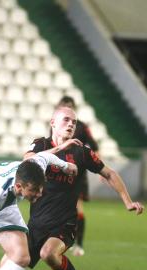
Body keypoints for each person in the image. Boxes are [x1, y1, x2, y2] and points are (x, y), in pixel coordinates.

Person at [0, 105, 144, 270]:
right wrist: (62, 147)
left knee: (48, 253)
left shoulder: (81, 152)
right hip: (35, 225)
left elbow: (109, 172)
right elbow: (28, 162)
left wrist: (127, 201)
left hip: (65, 224)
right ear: (53, 123)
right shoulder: (40, 144)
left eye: (74, 121)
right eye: (65, 120)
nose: (71, 124)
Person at [54, 96, 99, 256]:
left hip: (77, 172)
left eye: (69, 106)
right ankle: (59, 241)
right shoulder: (56, 125)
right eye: (63, 105)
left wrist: (99, 168)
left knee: (78, 208)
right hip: (58, 170)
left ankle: (79, 244)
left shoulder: (81, 127)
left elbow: (94, 146)